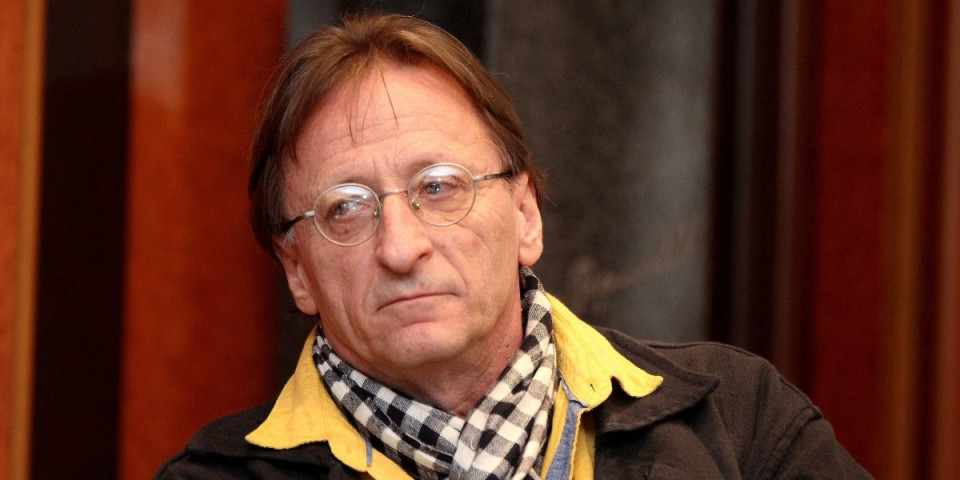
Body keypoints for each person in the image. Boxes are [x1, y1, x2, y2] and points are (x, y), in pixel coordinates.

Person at [155, 12, 872, 480]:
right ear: (297, 271)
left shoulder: (739, 421)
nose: (401, 247)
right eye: (346, 208)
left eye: (439, 187)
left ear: (526, 214)